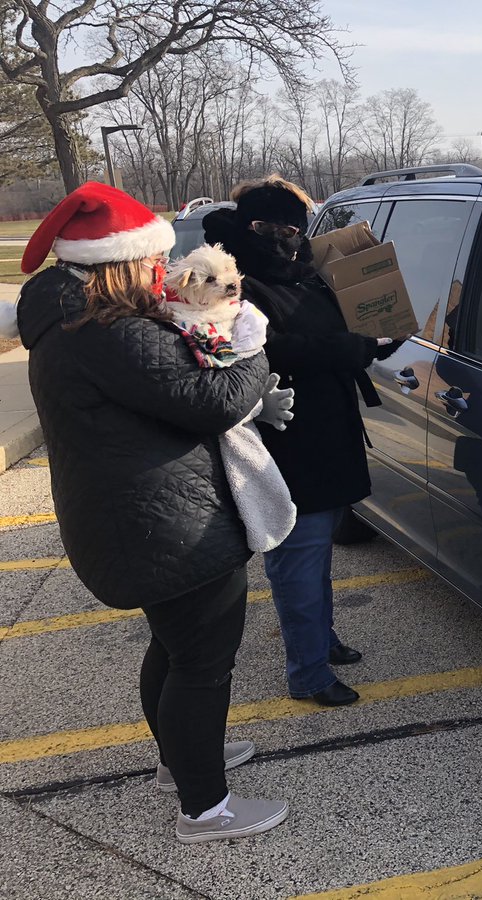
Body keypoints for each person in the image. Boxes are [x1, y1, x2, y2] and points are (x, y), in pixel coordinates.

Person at [15, 182, 288, 842]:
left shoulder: (72, 321)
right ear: (117, 264)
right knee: (202, 663)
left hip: (132, 520)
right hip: (166, 528)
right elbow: (214, 401)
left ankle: (181, 763)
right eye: (152, 260)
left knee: (174, 648)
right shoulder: (108, 331)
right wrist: (252, 345)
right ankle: (205, 808)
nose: (161, 272)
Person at [204, 175, 404, 707]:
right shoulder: (231, 284)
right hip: (286, 441)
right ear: (253, 226)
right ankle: (309, 672)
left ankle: (322, 640)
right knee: (298, 557)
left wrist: (381, 339)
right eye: (277, 228)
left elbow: (347, 335)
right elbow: (266, 349)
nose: (288, 239)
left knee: (317, 554)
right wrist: (349, 348)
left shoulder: (304, 274)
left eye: (296, 230)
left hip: (328, 430)